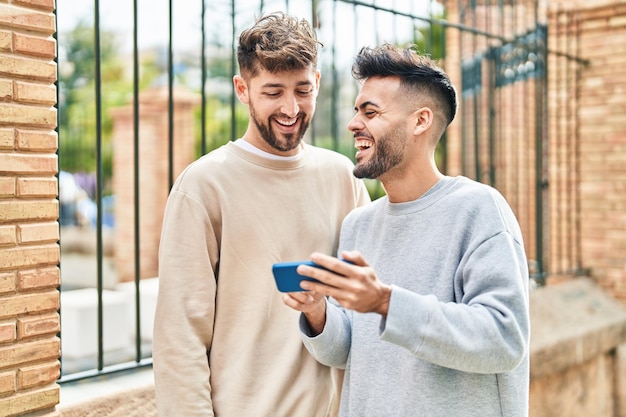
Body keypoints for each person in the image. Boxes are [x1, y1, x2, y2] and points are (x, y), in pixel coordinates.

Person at [283, 43, 530, 417]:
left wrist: (385, 301)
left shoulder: (479, 209)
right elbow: (348, 351)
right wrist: (318, 312)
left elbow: (504, 340)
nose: (353, 124)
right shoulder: (358, 224)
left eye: (371, 112)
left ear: (420, 121)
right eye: (356, 111)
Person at [152, 11, 370, 417]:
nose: (291, 108)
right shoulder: (203, 185)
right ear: (242, 89)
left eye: (302, 90)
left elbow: (366, 307)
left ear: (318, 83)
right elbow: (179, 337)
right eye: (273, 92)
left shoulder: (342, 176)